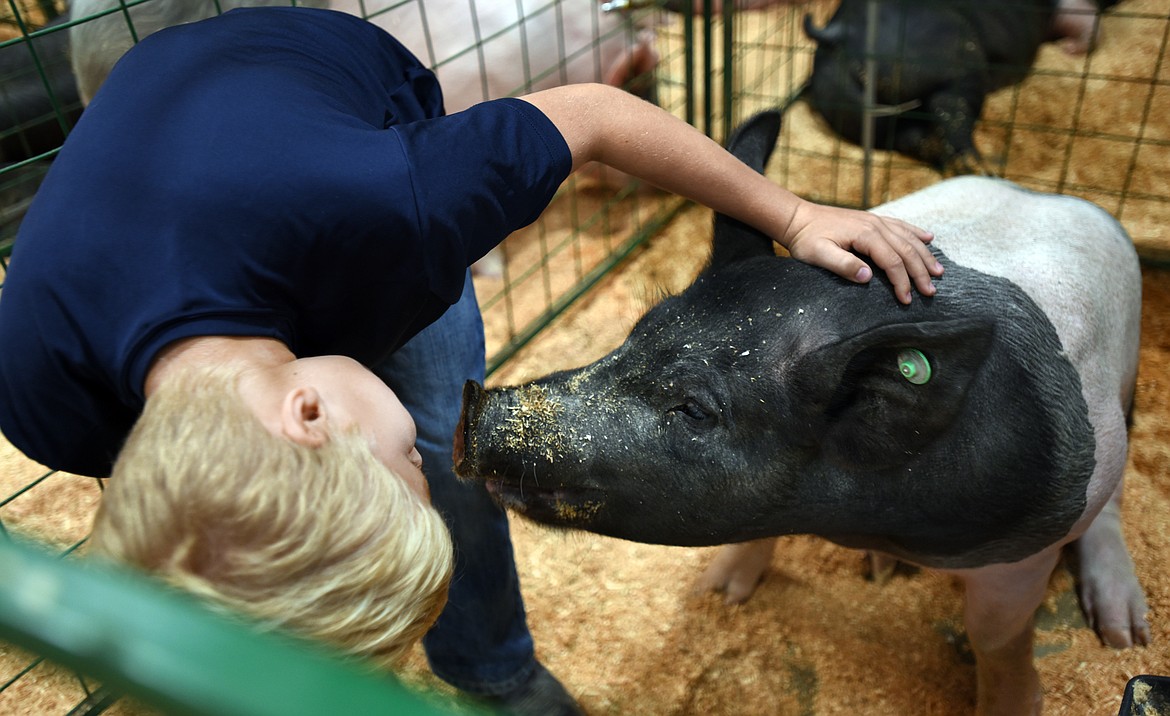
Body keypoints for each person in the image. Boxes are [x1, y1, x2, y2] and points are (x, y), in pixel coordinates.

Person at [0, 5, 941, 714]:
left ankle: (496, 671)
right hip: (217, 194)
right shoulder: (43, 399)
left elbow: (599, 116)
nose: (414, 454)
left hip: (302, 84)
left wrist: (793, 214)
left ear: (311, 416)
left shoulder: (399, 212)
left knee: (458, 449)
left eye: (400, 460)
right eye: (403, 459)